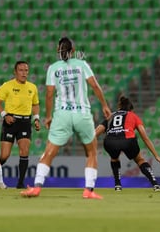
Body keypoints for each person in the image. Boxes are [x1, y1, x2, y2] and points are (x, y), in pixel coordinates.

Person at [21, 36, 112, 199]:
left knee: (49, 151)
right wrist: (105, 105)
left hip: (62, 114)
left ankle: (36, 187)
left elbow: (49, 95)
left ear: (58, 50)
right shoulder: (82, 64)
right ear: (73, 51)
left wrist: (48, 116)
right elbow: (95, 86)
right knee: (91, 151)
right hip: (82, 113)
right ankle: (88, 190)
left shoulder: (53, 68)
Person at [95, 95, 160, 192]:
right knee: (140, 160)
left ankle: (117, 185)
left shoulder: (111, 116)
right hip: (128, 141)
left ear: (119, 108)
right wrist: (156, 156)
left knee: (114, 158)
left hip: (110, 141)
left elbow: (96, 133)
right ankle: (155, 185)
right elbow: (145, 138)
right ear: (131, 110)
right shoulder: (133, 116)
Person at [0, 61, 41, 189]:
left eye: (26, 70)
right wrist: (5, 115)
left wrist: (36, 118)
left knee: (24, 151)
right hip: (10, 121)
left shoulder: (32, 87)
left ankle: (20, 183)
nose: (24, 73)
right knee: (4, 155)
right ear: (15, 72)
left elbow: (36, 104)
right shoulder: (7, 86)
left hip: (25, 122)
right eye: (21, 70)